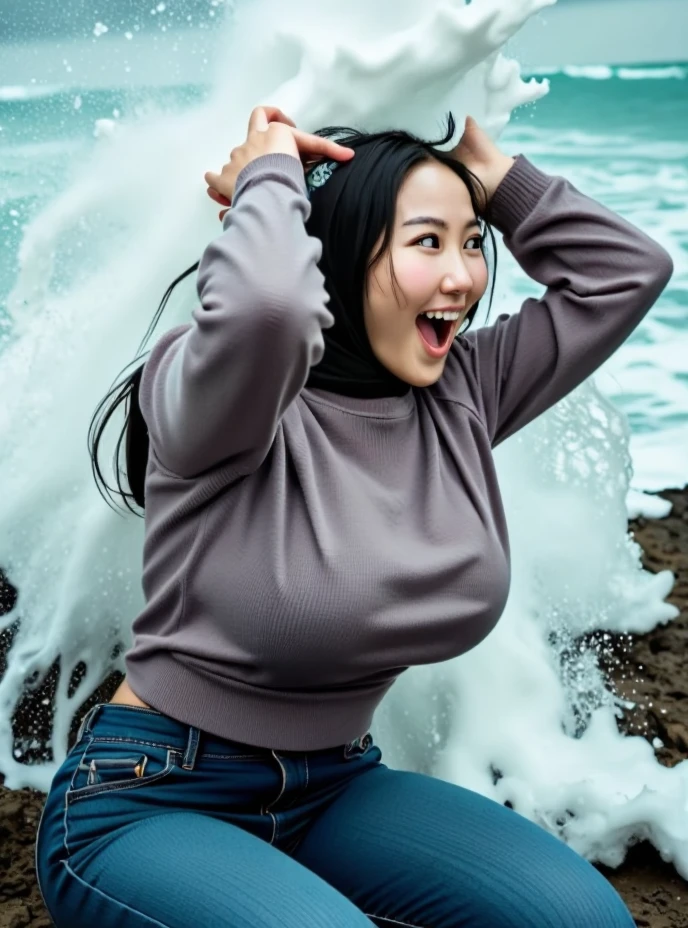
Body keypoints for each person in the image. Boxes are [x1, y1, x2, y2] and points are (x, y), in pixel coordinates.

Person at [35, 105, 673, 928]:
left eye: (471, 242)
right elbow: (270, 314)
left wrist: (498, 179)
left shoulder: (463, 395)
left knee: (584, 920)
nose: (464, 277)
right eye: (427, 242)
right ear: (336, 252)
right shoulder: (220, 400)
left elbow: (628, 272)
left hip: (335, 787)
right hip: (151, 800)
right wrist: (268, 177)